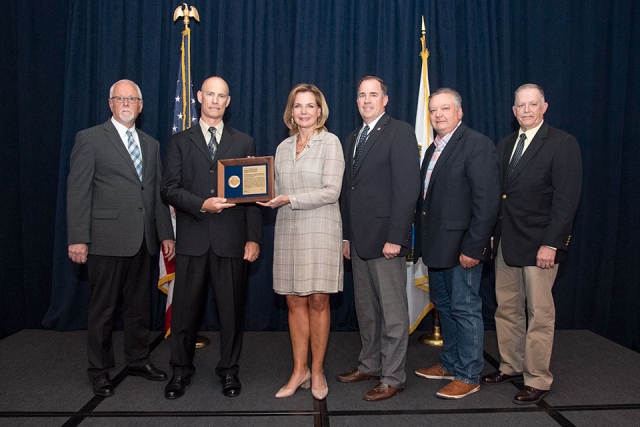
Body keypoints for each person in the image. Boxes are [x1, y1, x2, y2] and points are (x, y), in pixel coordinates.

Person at [67, 79, 175, 397]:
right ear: (110, 103)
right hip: (105, 239)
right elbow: (78, 192)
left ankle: (138, 359)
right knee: (103, 308)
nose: (126, 103)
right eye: (120, 98)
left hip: (144, 239)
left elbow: (155, 195)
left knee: (139, 307)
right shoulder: (89, 139)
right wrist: (78, 238)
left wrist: (166, 235)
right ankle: (99, 369)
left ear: (140, 106)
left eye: (132, 99)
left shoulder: (152, 144)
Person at [161, 76, 262, 399]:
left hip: (231, 240)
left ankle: (229, 371)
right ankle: (180, 370)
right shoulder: (179, 141)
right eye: (210, 95)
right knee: (185, 312)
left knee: (231, 312)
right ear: (198, 97)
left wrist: (253, 238)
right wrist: (200, 204)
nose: (215, 101)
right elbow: (168, 189)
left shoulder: (244, 141)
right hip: (192, 238)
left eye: (222, 96)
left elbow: (252, 196)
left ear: (228, 101)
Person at [481, 84, 582, 404]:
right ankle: (511, 365)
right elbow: (500, 196)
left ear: (544, 107)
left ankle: (538, 377)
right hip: (507, 244)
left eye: (532, 104)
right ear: (513, 111)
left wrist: (552, 244)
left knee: (539, 312)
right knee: (507, 310)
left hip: (540, 246)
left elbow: (567, 200)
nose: (526, 110)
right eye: (520, 105)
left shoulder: (562, 143)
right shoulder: (505, 144)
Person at [258, 84, 344, 401]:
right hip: (288, 230)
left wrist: (288, 198)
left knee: (318, 300)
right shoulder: (281, 148)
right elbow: (272, 189)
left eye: (310, 106)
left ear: (320, 111)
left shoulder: (330, 143)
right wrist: (255, 187)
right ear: (290, 111)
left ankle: (318, 370)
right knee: (293, 301)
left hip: (320, 229)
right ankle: (299, 371)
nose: (304, 112)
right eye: (298, 106)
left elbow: (331, 191)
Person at [413, 88, 500, 399]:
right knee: (446, 308)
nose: (438, 115)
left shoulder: (477, 145)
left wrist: (473, 248)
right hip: (436, 246)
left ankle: (469, 373)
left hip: (463, 248)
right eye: (434, 109)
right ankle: (450, 363)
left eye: (445, 109)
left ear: (459, 112)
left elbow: (487, 203)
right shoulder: (431, 150)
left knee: (465, 309)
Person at [338, 76, 420, 401]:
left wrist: (397, 237)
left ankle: (393, 376)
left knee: (393, 314)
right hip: (359, 241)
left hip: (386, 240)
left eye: (373, 94)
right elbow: (349, 192)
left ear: (385, 99)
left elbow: (407, 190)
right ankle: (370, 364)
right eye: (361, 95)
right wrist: (346, 236)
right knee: (367, 310)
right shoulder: (352, 138)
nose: (367, 100)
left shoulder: (399, 132)